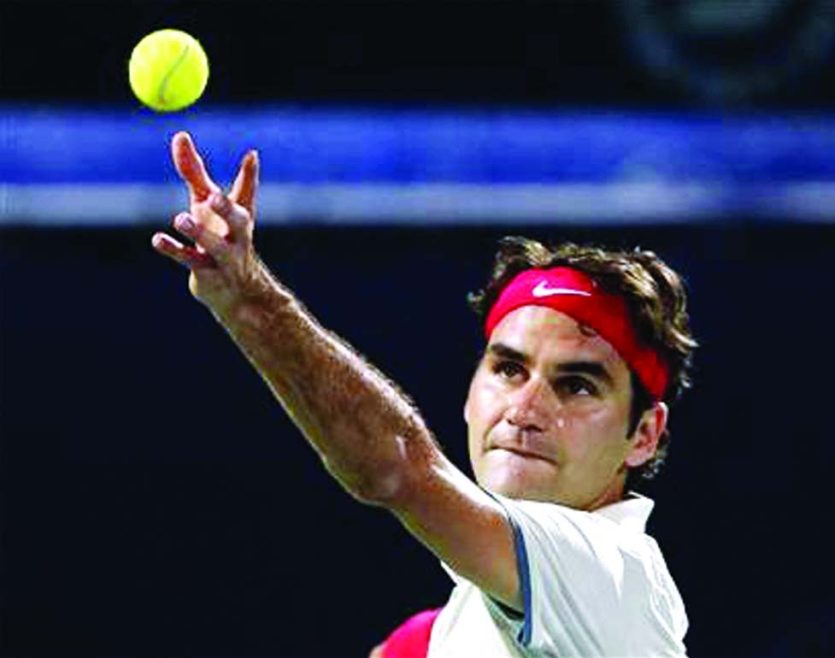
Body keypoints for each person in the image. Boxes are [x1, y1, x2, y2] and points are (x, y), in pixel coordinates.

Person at [152, 131, 698, 658]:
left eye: (576, 385)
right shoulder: (441, 635)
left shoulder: (616, 578)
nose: (526, 410)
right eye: (508, 370)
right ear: (470, 393)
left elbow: (395, 468)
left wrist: (246, 296)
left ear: (643, 436)